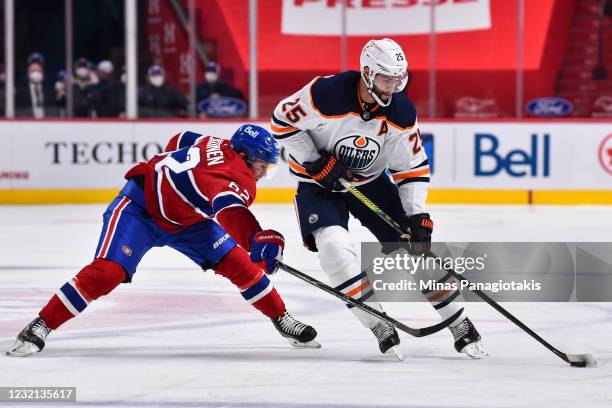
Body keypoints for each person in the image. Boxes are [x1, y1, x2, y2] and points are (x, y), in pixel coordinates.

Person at [6, 125, 319, 357]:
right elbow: (230, 211)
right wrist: (255, 239)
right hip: (139, 208)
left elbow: (181, 139)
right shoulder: (236, 177)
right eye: (262, 165)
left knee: (239, 265)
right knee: (108, 272)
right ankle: (41, 324)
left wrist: (177, 185)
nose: (263, 173)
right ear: (241, 155)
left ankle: (281, 317)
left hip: (186, 221)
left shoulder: (216, 142)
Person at [270, 38, 487, 359]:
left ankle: (459, 322)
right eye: (388, 79)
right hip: (319, 185)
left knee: (414, 247)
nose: (394, 86)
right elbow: (281, 120)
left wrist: (416, 215)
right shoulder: (326, 94)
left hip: (371, 183)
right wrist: (314, 160)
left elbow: (411, 166)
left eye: (400, 79)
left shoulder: (401, 111)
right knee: (333, 249)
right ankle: (379, 324)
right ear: (368, 73)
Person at [15, 54, 58, 118]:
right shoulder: (20, 92)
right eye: (33, 71)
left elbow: (54, 109)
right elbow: (17, 110)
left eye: (38, 70)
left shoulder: (50, 91)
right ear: (28, 73)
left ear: (42, 72)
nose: (36, 73)